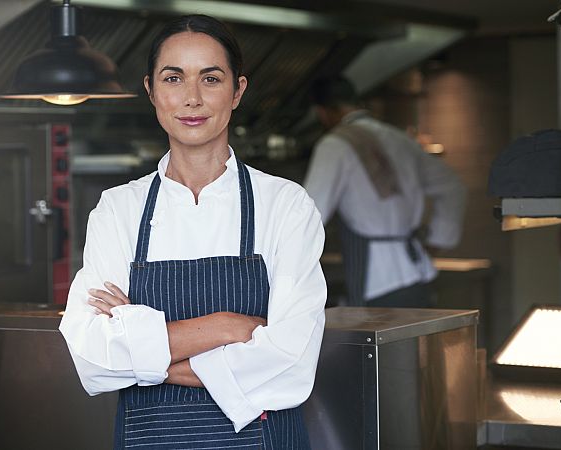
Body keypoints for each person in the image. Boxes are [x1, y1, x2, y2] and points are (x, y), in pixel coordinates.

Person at [59, 14, 326, 449]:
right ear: (151, 90)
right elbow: (92, 358)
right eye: (174, 78)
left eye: (211, 78)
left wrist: (141, 352)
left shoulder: (285, 205)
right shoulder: (119, 209)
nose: (192, 98)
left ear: (238, 90)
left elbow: (290, 367)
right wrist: (226, 326)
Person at [303, 75, 466, 308]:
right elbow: (453, 185)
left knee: (384, 344)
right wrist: (437, 239)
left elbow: (309, 214)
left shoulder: (335, 145)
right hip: (416, 269)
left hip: (376, 280)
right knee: (415, 344)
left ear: (323, 112)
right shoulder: (399, 138)